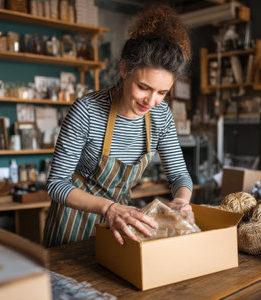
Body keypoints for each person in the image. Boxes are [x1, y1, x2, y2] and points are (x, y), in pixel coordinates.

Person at [43, 5, 193, 248]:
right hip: (72, 223)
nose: (151, 101)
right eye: (143, 87)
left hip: (123, 223)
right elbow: (56, 184)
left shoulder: (161, 115)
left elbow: (178, 175)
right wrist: (108, 208)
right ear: (124, 69)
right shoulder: (87, 111)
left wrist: (182, 201)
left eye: (162, 92)